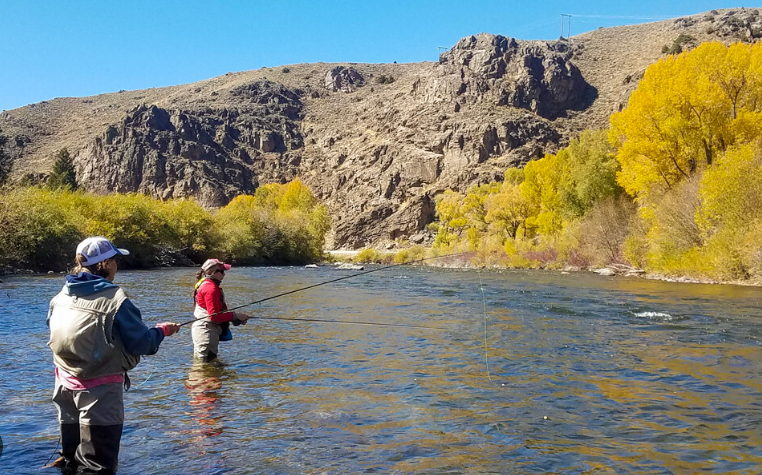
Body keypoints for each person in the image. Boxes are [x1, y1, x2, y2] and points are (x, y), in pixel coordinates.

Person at [46, 236, 180, 474]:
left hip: (63, 387)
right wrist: (162, 331)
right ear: (105, 264)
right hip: (100, 392)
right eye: (116, 259)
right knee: (98, 466)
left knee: (71, 460)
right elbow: (142, 343)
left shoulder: (62, 295)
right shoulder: (115, 299)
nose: (117, 265)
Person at [191, 258, 249, 361]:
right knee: (206, 367)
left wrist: (235, 318)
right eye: (221, 271)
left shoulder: (205, 284)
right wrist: (235, 316)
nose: (224, 275)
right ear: (213, 273)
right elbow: (214, 316)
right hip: (207, 332)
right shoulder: (211, 289)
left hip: (204, 330)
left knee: (204, 367)